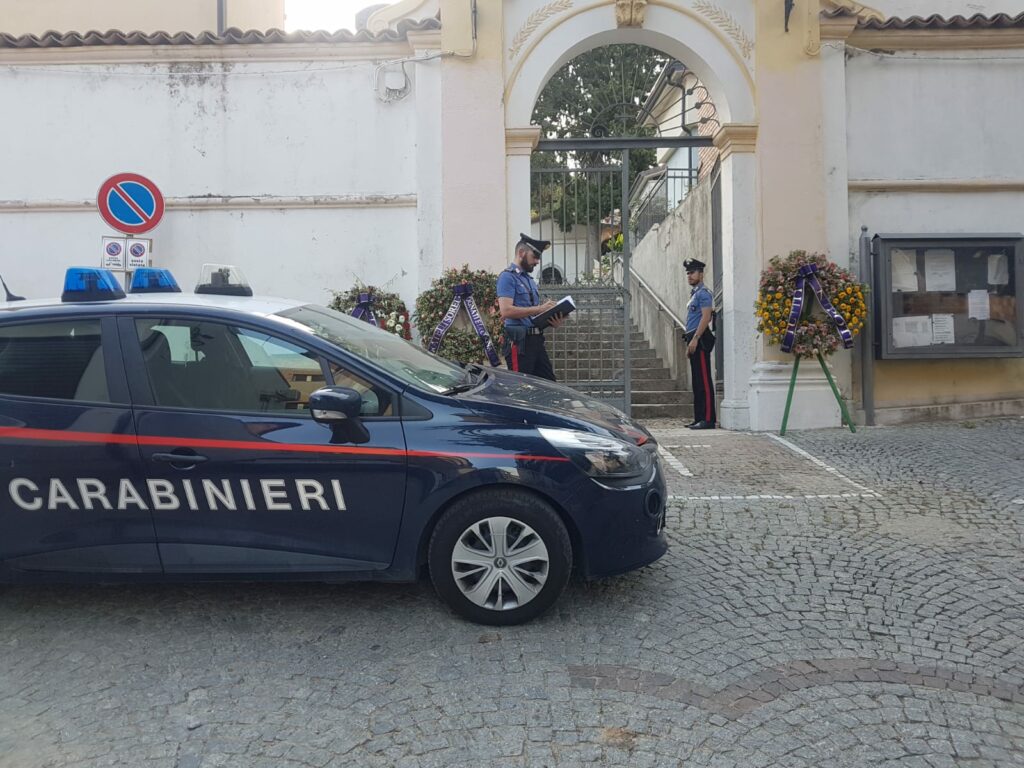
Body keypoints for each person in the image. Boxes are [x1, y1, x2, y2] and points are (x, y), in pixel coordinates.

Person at [497, 233, 565, 380]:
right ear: (521, 253)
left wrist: (551, 319)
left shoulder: (529, 280)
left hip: (536, 341)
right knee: (521, 388)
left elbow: (531, 316)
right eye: (534, 256)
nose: (537, 261)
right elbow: (506, 310)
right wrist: (540, 309)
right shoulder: (507, 277)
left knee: (549, 385)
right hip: (519, 343)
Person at [683, 258, 716, 429]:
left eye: (693, 272)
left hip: (700, 339)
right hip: (693, 338)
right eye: (688, 273)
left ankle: (708, 419)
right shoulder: (695, 294)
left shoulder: (704, 293)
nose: (689, 275)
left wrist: (695, 339)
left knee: (703, 380)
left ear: (701, 274)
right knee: (697, 381)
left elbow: (706, 317)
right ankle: (699, 417)